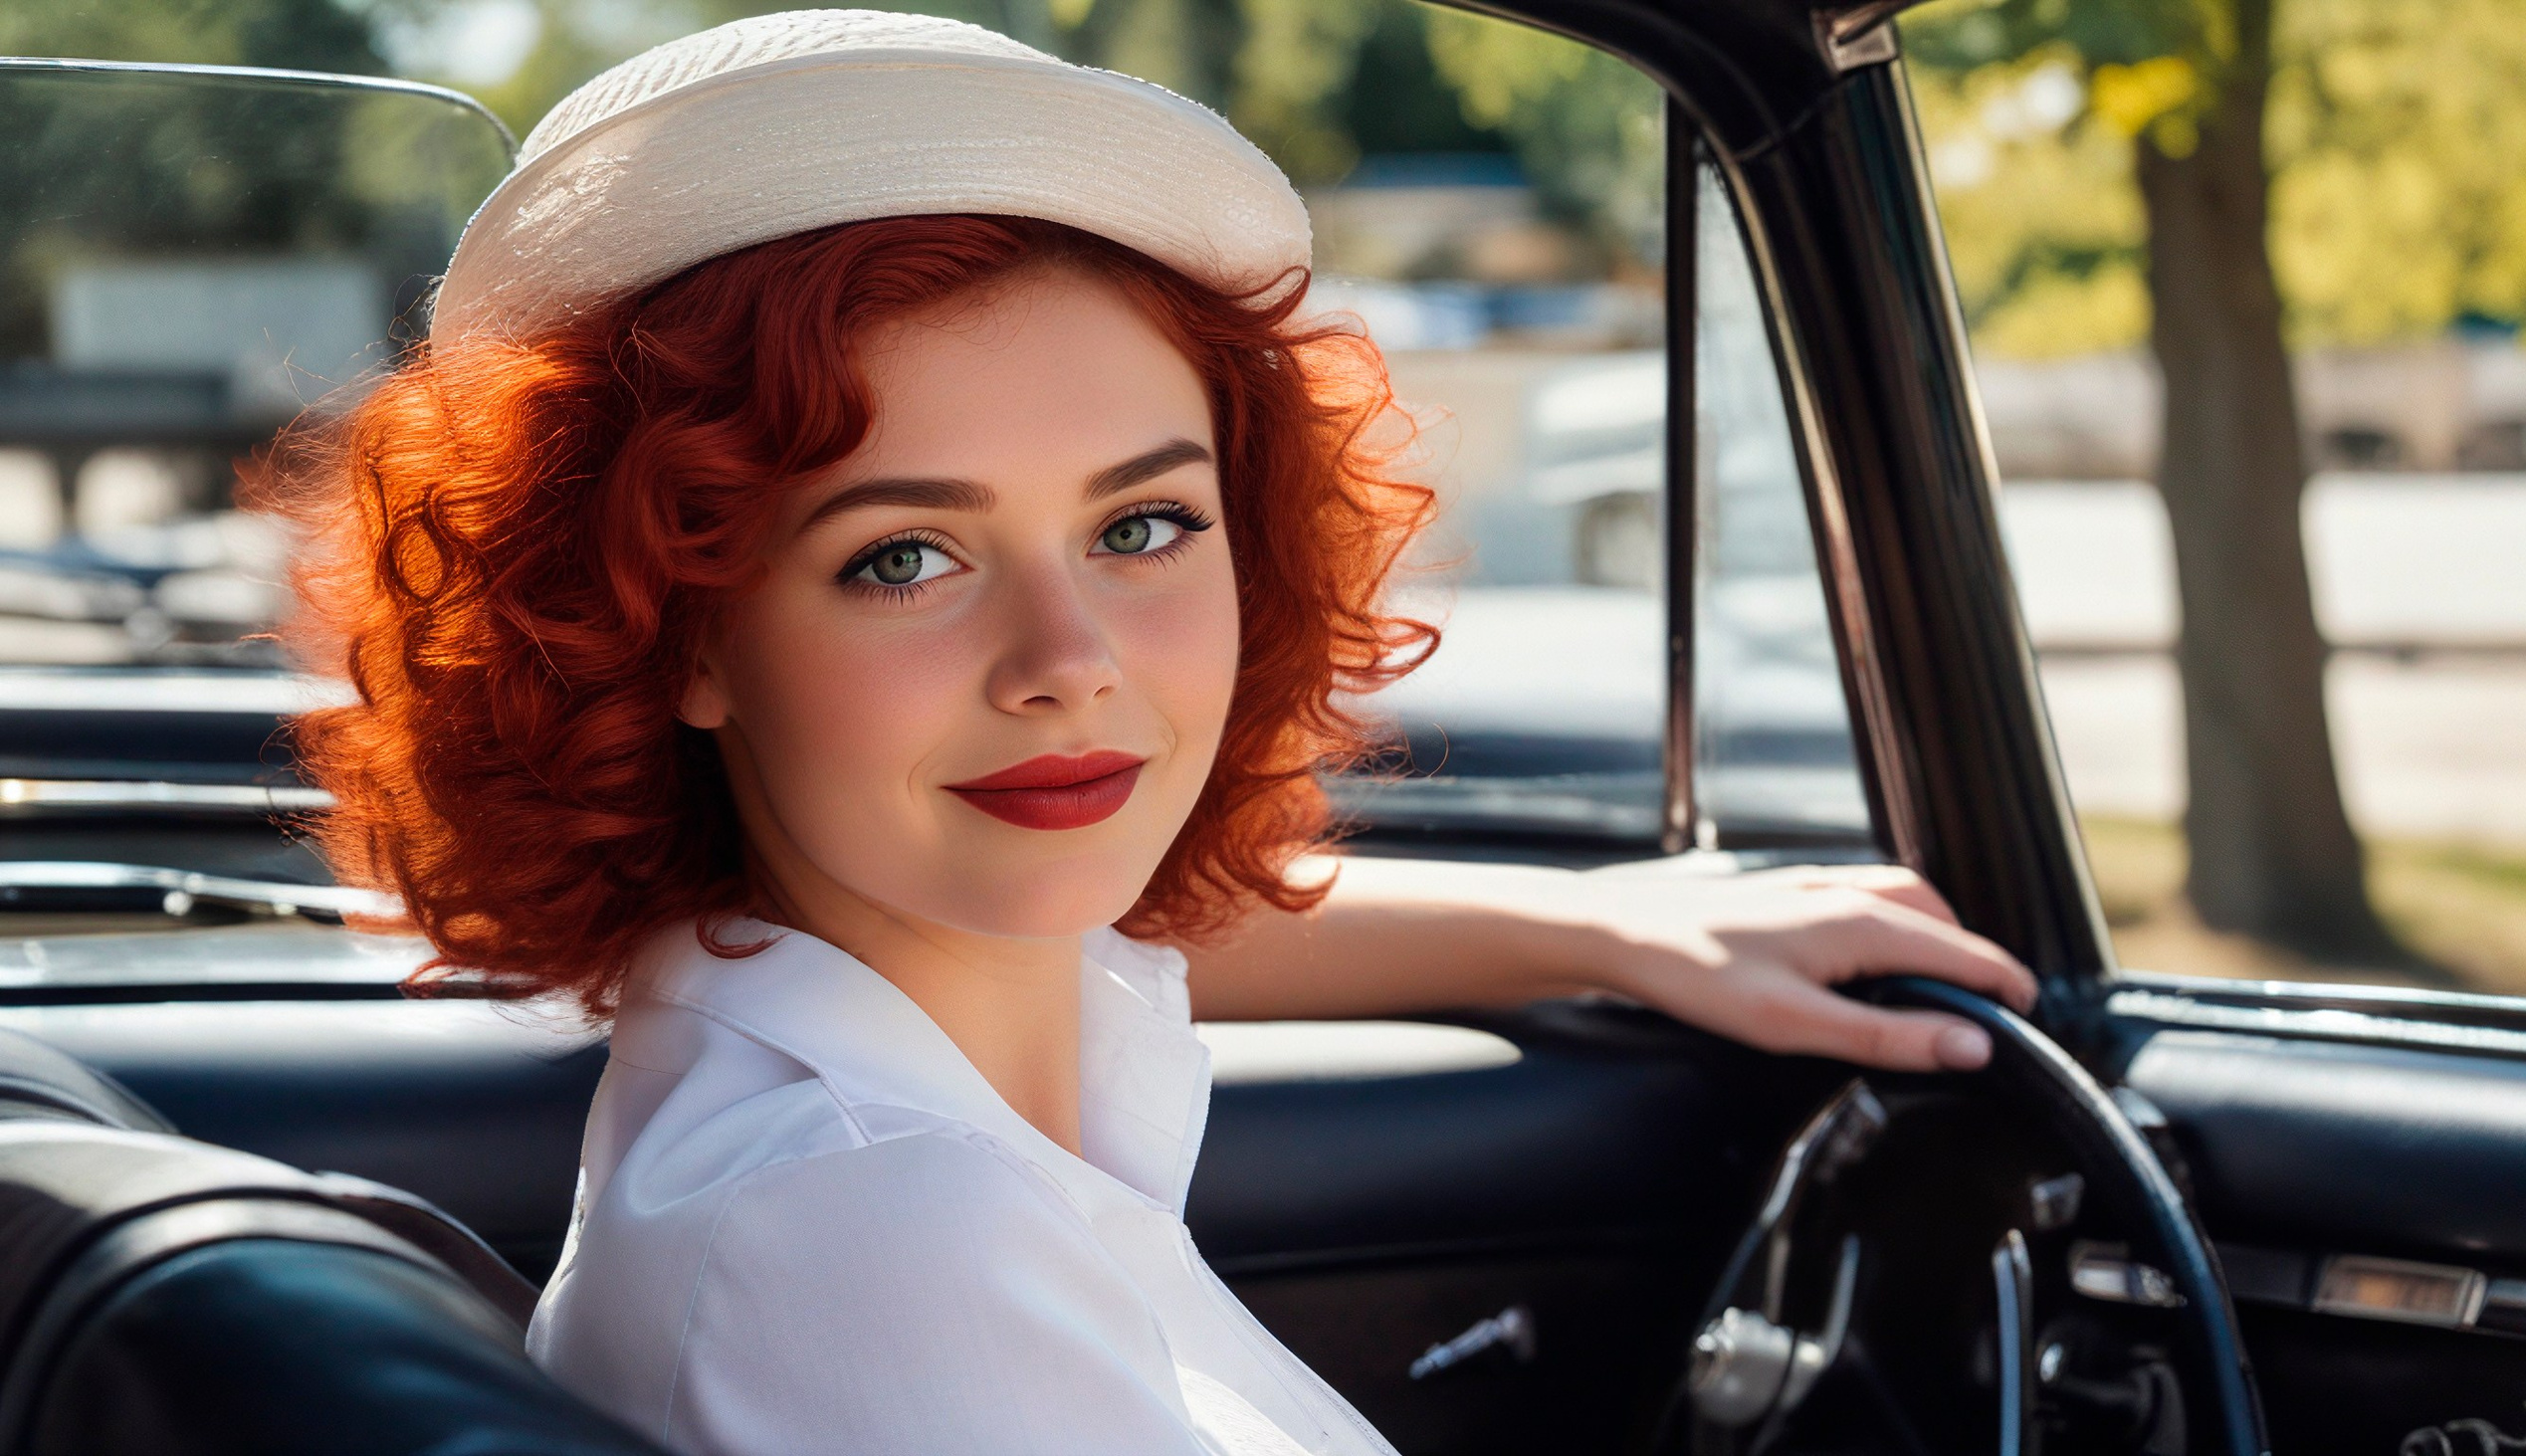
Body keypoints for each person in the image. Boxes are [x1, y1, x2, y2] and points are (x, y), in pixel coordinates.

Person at [263, 11, 2035, 1454]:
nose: (1068, 660)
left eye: (1142, 525)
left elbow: (1162, 939)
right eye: (902, 556)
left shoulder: (849, 1032)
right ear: (682, 633)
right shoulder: (884, 1234)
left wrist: (1599, 928)